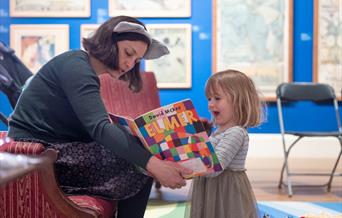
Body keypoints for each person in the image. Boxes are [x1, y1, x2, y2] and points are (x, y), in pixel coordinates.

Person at [8, 16, 192, 218]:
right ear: (108, 41)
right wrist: (155, 166)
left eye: (136, 60)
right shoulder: (77, 67)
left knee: (136, 149)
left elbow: (93, 125)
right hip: (37, 154)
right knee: (139, 166)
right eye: (128, 53)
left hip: (51, 149)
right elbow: (100, 128)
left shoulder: (79, 65)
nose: (130, 64)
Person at [187, 69, 264, 218]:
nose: (210, 105)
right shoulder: (219, 131)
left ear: (238, 101)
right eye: (209, 99)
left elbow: (214, 167)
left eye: (217, 98)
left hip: (225, 191)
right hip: (211, 188)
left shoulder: (236, 133)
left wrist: (195, 142)